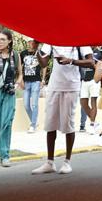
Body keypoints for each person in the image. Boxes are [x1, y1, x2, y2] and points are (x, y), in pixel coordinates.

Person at [31, 44, 84, 175]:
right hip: (54, 86)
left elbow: (91, 62)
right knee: (50, 123)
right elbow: (44, 63)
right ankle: (50, 162)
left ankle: (67, 161)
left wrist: (71, 61)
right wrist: (37, 49)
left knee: (68, 123)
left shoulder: (79, 40)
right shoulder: (51, 39)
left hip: (71, 86)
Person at [0, 28, 24, 167]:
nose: (0, 42)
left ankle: (5, 154)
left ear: (9, 41)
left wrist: (17, 83)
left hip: (9, 91)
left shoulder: (16, 55)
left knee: (6, 122)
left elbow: (20, 73)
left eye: (2, 39)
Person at [20, 43, 42, 134]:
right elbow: (19, 67)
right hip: (26, 81)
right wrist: (20, 79)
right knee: (26, 104)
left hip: (36, 81)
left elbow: (44, 66)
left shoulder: (39, 53)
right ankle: (35, 122)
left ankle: (32, 125)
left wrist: (43, 79)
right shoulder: (23, 53)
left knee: (34, 104)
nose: (30, 44)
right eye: (29, 42)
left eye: (32, 42)